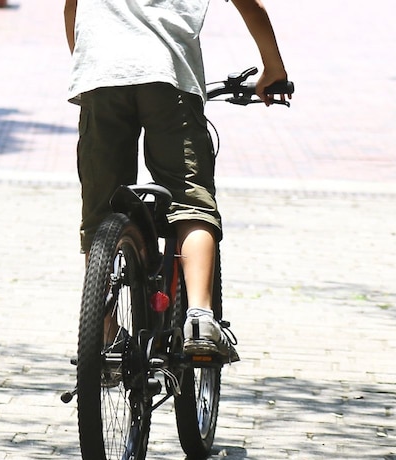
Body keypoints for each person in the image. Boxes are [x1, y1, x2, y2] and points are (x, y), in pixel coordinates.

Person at [63, 0, 289, 360]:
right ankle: (200, 319)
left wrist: (91, 64)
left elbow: (71, 9)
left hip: (101, 77)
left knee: (101, 211)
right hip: (168, 78)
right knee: (190, 201)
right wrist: (273, 68)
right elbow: (251, 5)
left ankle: (103, 331)